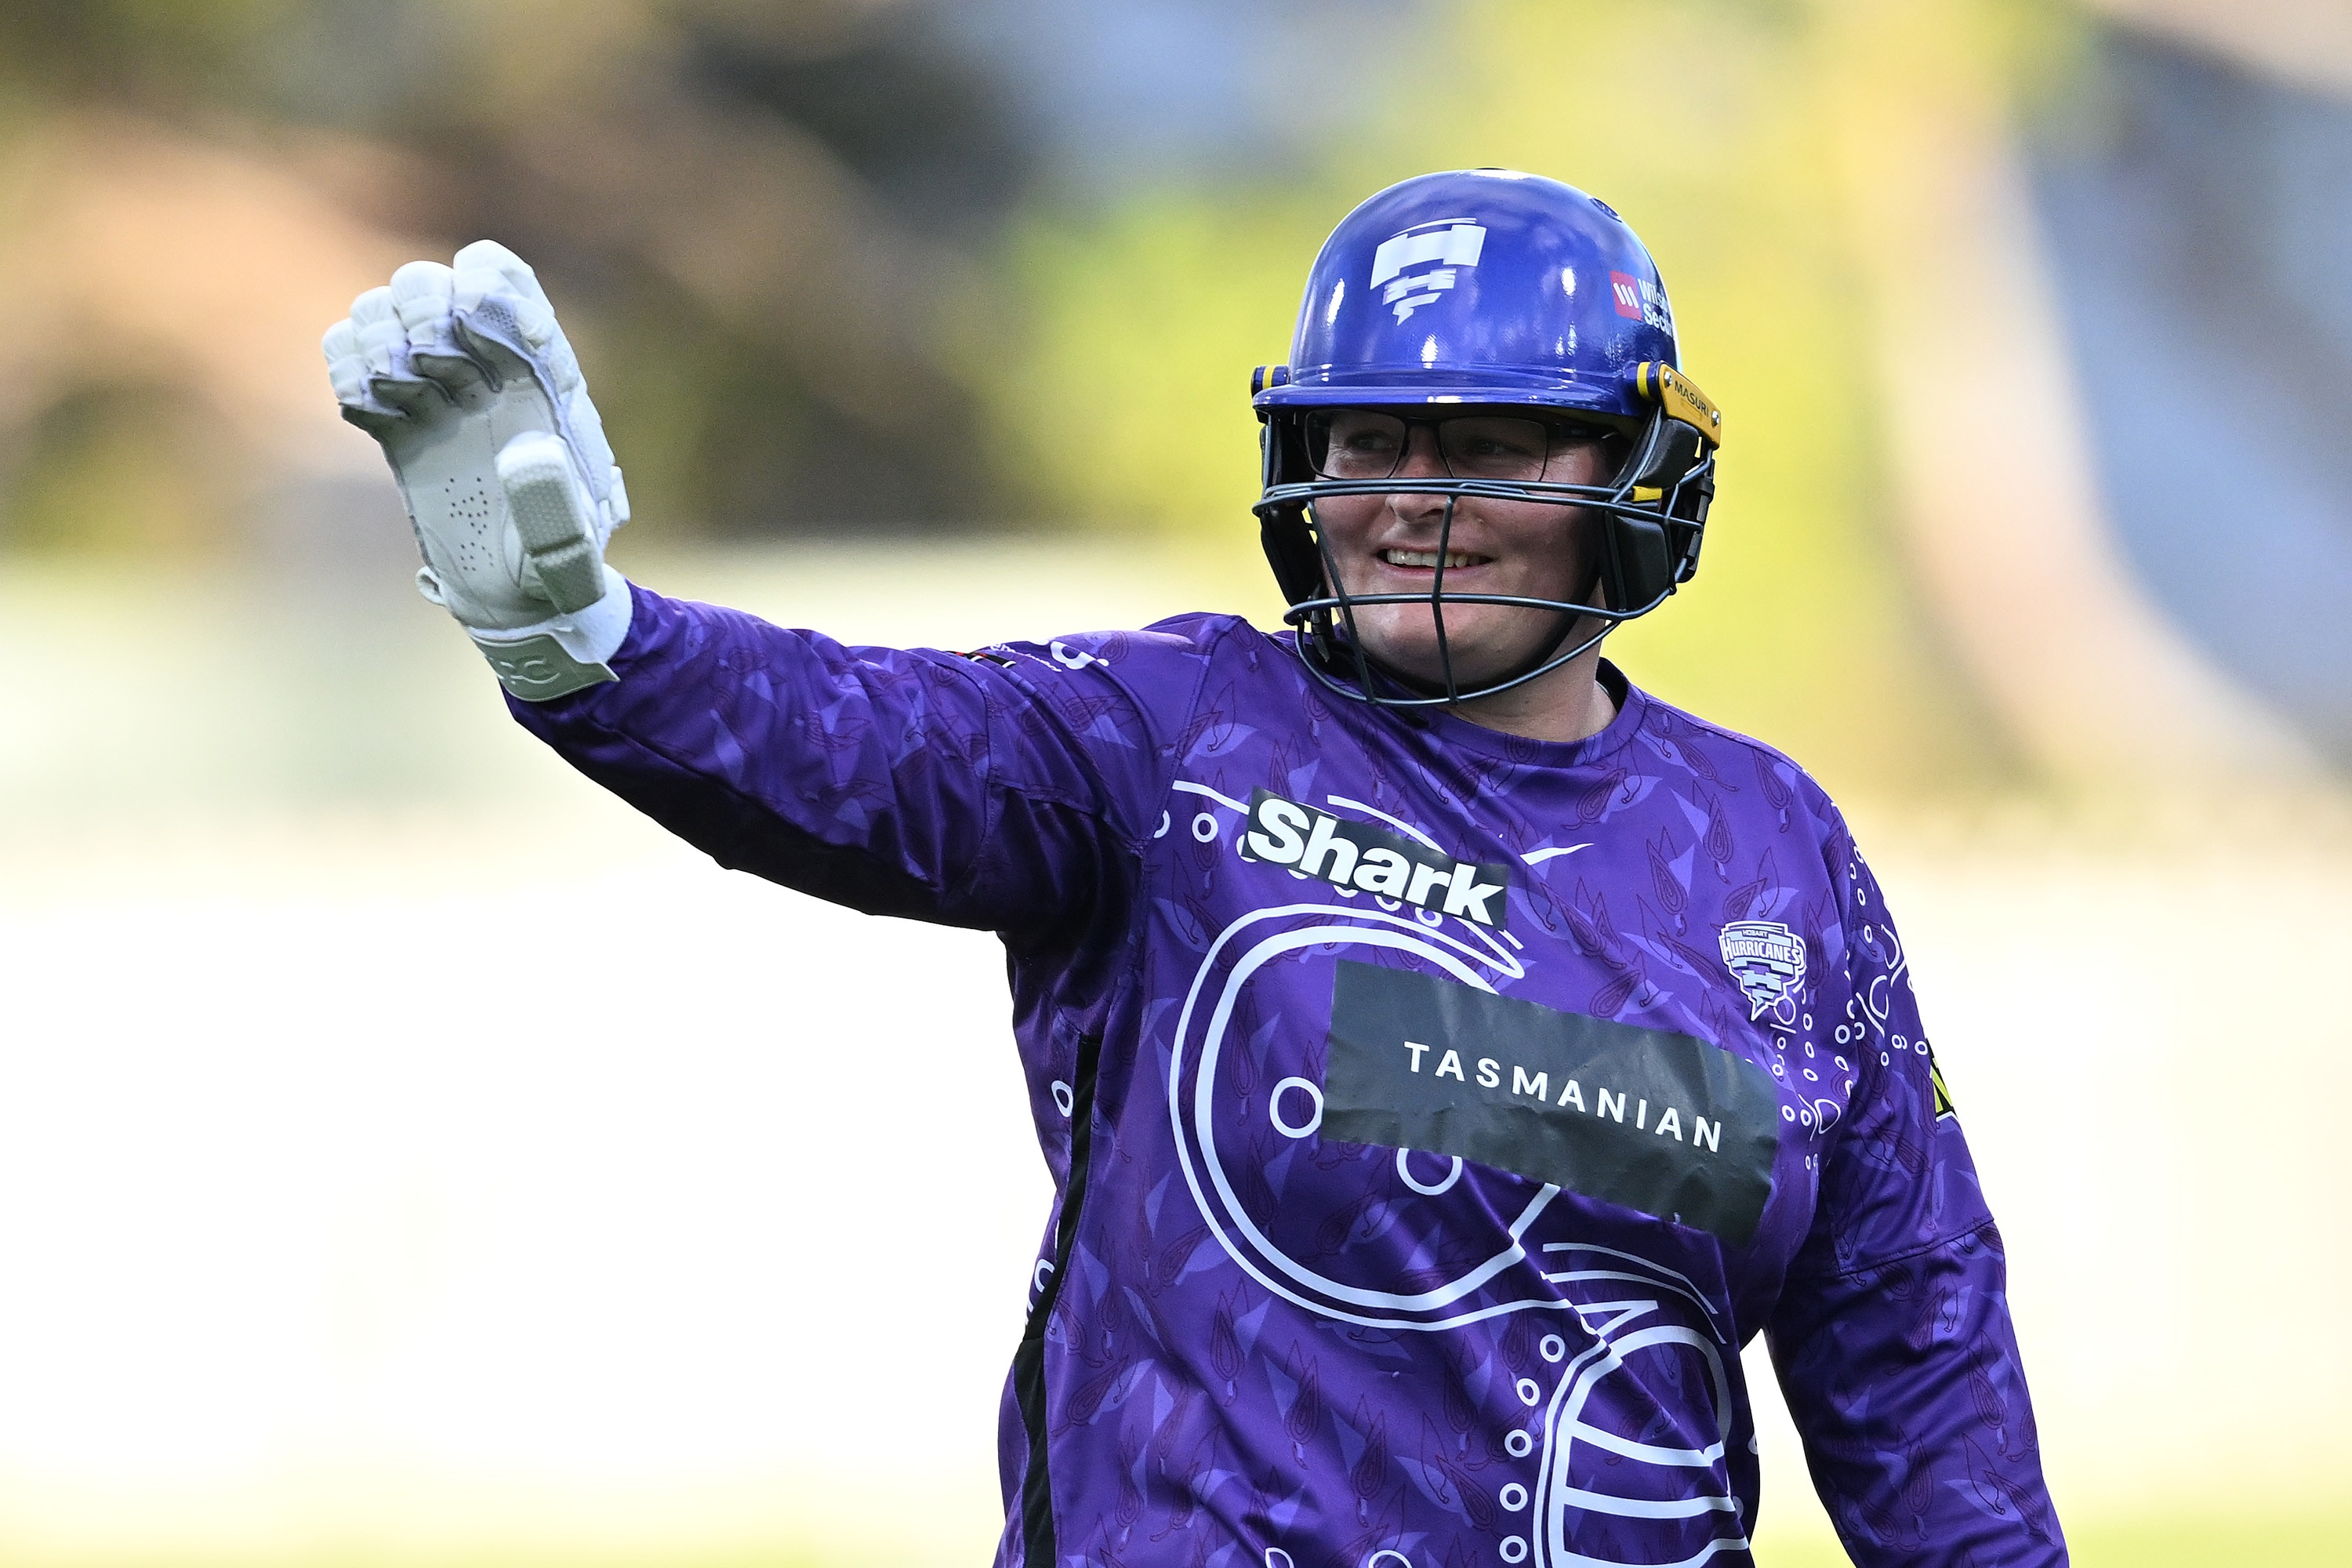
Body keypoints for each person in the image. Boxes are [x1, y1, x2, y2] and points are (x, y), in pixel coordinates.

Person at [323, 169, 2064, 1568]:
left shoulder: (1770, 847)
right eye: (1369, 440)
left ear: (1635, 467)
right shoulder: (1173, 741)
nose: (1411, 499)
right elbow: (856, 745)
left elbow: (1916, 1345)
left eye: (1485, 447)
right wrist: (584, 639)